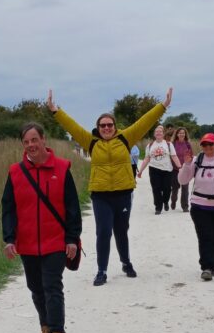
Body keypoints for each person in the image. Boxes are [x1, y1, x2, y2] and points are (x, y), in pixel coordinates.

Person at [47, 88, 173, 286]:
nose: (106, 128)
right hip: (101, 196)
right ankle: (102, 270)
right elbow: (71, 126)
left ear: (115, 126)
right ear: (97, 127)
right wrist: (56, 110)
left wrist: (163, 106)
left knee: (121, 231)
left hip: (123, 194)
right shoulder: (91, 142)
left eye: (109, 125)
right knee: (103, 232)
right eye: (102, 125)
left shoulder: (126, 138)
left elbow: (145, 121)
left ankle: (126, 262)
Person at [1, 122, 82, 333]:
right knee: (35, 288)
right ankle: (45, 325)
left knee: (52, 286)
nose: (30, 146)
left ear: (44, 140)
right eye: (26, 142)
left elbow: (72, 208)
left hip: (55, 241)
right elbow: (8, 208)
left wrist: (72, 239)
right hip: (27, 243)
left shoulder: (62, 168)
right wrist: (9, 238)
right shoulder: (15, 172)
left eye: (34, 140)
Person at [178, 132, 214, 281]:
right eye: (204, 144)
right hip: (200, 206)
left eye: (210, 144)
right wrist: (186, 165)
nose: (207, 147)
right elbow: (182, 180)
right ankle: (206, 267)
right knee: (206, 236)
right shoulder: (196, 160)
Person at [137, 125, 182, 214]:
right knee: (156, 189)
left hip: (167, 170)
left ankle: (165, 201)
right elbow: (146, 159)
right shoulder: (150, 145)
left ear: (163, 133)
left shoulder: (168, 144)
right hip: (154, 169)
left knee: (167, 189)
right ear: (154, 134)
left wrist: (180, 167)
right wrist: (141, 171)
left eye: (160, 132)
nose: (158, 133)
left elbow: (174, 156)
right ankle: (158, 207)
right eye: (156, 132)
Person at [170, 127, 193, 212]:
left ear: (185, 134)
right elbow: (170, 156)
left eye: (183, 133)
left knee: (185, 188)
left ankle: (185, 206)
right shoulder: (173, 144)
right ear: (177, 134)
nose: (181, 134)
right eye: (180, 133)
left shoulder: (188, 144)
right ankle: (173, 201)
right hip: (175, 169)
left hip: (185, 169)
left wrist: (190, 166)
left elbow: (191, 156)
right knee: (175, 188)